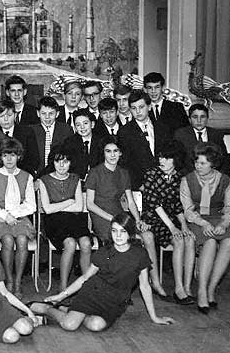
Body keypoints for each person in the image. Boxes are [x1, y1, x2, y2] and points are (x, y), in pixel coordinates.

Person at [30, 212, 174, 332]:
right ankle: (47, 309)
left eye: (123, 231)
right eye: (114, 231)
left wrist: (154, 317)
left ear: (131, 233)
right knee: (69, 325)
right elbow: (85, 277)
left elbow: (145, 286)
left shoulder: (140, 254)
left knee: (96, 325)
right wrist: (61, 295)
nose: (118, 236)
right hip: (92, 294)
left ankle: (67, 310)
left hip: (115, 302)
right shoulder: (104, 252)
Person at [179, 143, 230, 313]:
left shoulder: (225, 180)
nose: (198, 166)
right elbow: (188, 210)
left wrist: (224, 224)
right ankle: (202, 290)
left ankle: (212, 288)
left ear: (213, 163)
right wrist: (203, 223)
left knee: (229, 240)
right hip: (198, 219)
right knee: (210, 242)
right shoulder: (187, 180)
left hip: (219, 217)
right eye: (197, 162)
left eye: (203, 163)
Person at [140, 141, 195, 304]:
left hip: (170, 219)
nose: (161, 160)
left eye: (166, 158)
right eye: (160, 157)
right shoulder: (151, 174)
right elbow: (154, 203)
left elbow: (178, 205)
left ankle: (181, 288)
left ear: (175, 160)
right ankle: (156, 283)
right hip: (152, 219)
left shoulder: (179, 178)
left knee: (183, 239)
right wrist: (172, 227)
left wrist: (183, 225)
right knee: (149, 238)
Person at [0, 138, 36, 297]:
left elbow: (31, 205)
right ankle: (8, 280)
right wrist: (5, 215)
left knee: (21, 239)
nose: (9, 159)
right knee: (7, 239)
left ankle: (18, 281)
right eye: (5, 155)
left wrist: (13, 215)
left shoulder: (27, 177)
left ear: (19, 156)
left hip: (20, 218)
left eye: (13, 155)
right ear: (0, 157)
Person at [36, 147, 92, 293]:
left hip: (75, 219)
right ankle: (63, 288)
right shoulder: (44, 180)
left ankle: (87, 286)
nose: (62, 165)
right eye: (58, 161)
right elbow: (47, 209)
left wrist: (58, 206)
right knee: (70, 243)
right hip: (54, 222)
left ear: (70, 163)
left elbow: (79, 207)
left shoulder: (75, 179)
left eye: (65, 162)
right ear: (52, 162)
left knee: (86, 243)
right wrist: (69, 201)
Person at [85, 136, 140, 244]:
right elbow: (90, 204)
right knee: (117, 239)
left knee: (145, 237)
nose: (112, 155)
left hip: (118, 213)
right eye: (108, 151)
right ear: (103, 153)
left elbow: (131, 202)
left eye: (116, 151)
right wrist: (112, 218)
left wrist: (138, 219)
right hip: (101, 215)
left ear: (120, 153)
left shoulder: (124, 173)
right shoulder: (95, 172)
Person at [118, 90, 172, 189]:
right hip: (140, 185)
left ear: (149, 106)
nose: (138, 111)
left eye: (141, 107)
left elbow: (170, 155)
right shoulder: (124, 132)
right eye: (134, 108)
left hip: (165, 183)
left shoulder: (163, 128)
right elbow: (125, 163)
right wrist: (138, 185)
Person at [174, 103, 230, 176]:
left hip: (213, 178)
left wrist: (219, 178)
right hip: (189, 178)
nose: (199, 121)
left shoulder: (216, 134)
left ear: (207, 118)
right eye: (195, 117)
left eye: (202, 117)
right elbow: (178, 162)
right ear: (189, 119)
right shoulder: (181, 135)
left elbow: (224, 161)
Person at [0, 99, 40, 175]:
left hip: (23, 174)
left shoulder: (27, 132)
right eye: (2, 116)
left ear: (15, 115)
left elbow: (34, 159)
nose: (6, 119)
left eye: (9, 115)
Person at [32, 96, 72, 177]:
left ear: (57, 114)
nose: (47, 117)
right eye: (43, 113)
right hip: (36, 176)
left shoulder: (66, 130)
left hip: (59, 175)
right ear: (38, 113)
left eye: (51, 113)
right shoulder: (31, 130)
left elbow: (70, 156)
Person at [61, 109, 104, 182]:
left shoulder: (101, 141)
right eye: (78, 125)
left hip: (99, 181)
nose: (82, 127)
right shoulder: (69, 143)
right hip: (76, 182)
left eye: (85, 123)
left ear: (92, 124)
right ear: (75, 127)